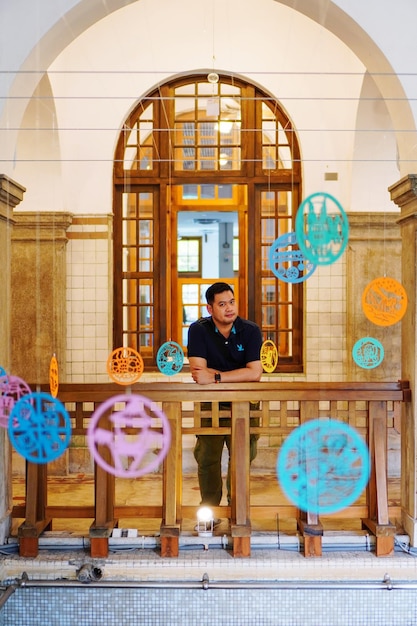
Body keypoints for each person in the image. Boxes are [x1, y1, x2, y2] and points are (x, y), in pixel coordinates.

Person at [187, 281, 263, 515]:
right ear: (210, 309)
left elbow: (255, 372)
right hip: (209, 403)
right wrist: (236, 375)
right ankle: (209, 512)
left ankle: (237, 510)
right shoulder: (198, 329)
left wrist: (217, 376)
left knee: (242, 457)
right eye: (222, 304)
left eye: (232, 302)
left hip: (244, 403)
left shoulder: (250, 330)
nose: (229, 308)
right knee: (207, 458)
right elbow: (200, 375)